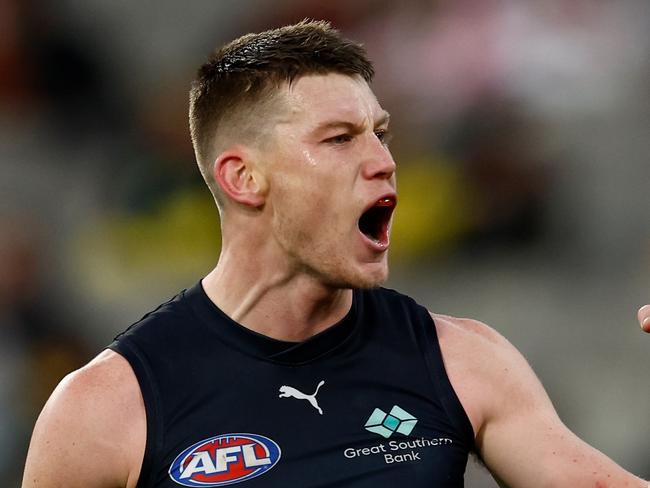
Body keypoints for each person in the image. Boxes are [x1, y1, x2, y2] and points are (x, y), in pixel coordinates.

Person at [22, 20, 649, 488]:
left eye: (382, 135)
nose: (384, 162)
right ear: (244, 179)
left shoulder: (461, 361)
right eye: (341, 138)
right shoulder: (105, 410)